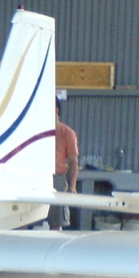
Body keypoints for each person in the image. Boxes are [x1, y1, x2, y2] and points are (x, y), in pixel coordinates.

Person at [49, 99, 79, 230]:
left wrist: (72, 186)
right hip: (37, 178)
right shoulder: (34, 130)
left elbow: (73, 161)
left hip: (58, 179)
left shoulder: (67, 133)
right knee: (25, 220)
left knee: (56, 222)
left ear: (56, 110)